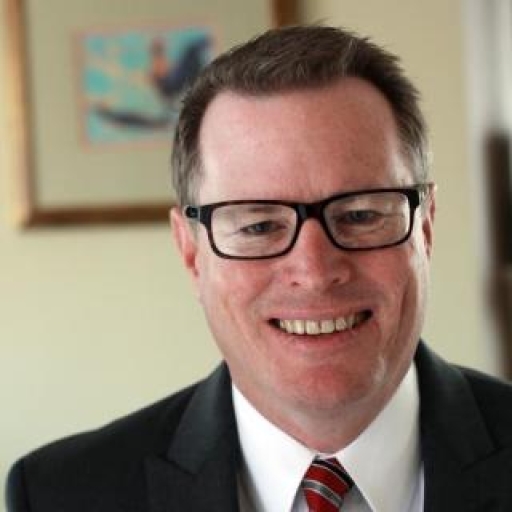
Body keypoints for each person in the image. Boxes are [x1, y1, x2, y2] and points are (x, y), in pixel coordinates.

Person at [6, 24, 512, 512]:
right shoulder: (61, 494)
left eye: (359, 215)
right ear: (190, 251)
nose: (314, 271)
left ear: (425, 226)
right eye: (258, 226)